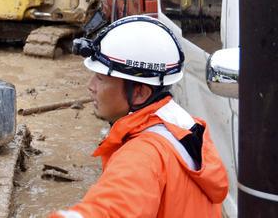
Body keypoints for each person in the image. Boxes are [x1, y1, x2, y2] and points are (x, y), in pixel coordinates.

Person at [50, 16, 229, 218]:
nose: (90, 86)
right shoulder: (181, 126)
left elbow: (112, 209)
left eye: (100, 78)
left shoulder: (143, 154)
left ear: (139, 93)